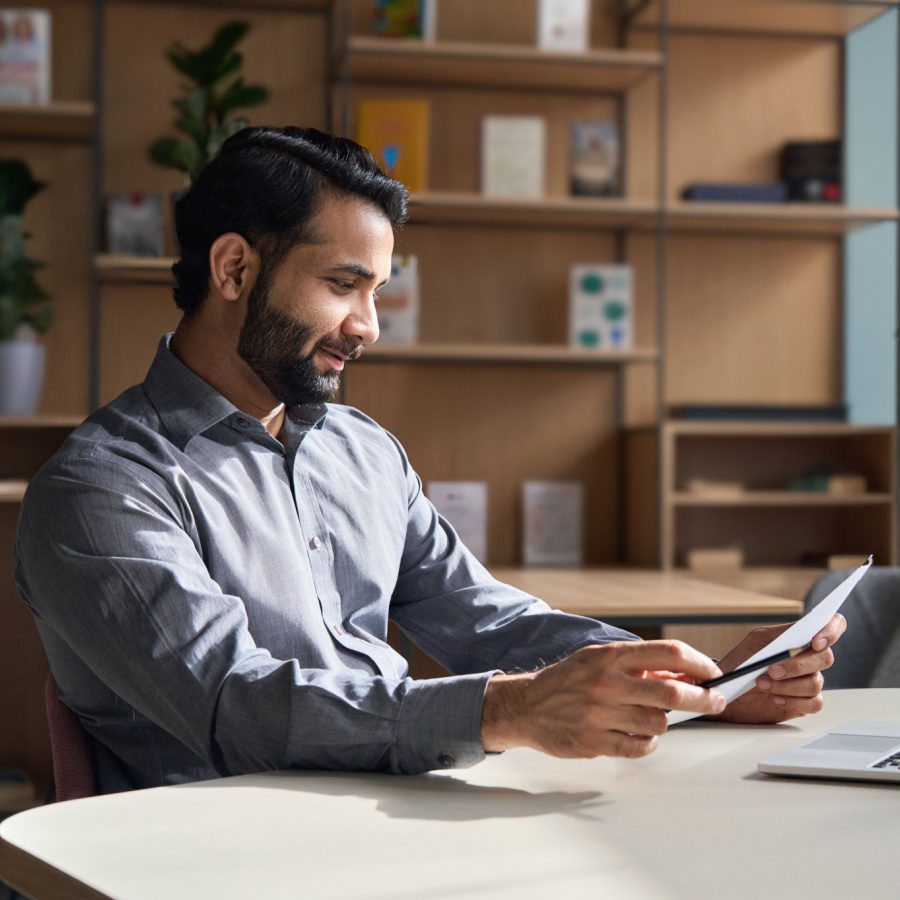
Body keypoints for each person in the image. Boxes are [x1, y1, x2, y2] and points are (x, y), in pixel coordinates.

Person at [14, 127, 845, 793]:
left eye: (376, 290)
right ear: (234, 268)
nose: (370, 325)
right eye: (344, 285)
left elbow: (484, 618)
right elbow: (239, 706)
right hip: (214, 863)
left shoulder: (362, 451)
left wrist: (685, 683)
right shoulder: (101, 488)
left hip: (386, 818)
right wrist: (505, 711)